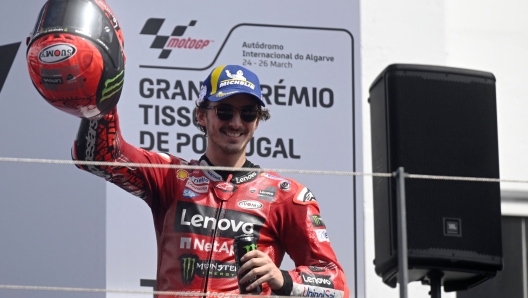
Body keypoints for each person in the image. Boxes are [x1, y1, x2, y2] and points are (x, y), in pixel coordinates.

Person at [73, 64, 349, 297]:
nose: (236, 122)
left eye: (248, 113)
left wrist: (284, 279)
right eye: (225, 111)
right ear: (201, 116)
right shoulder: (171, 176)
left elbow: (336, 284)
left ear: (258, 120)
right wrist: (103, 74)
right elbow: (99, 155)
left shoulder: (285, 195)